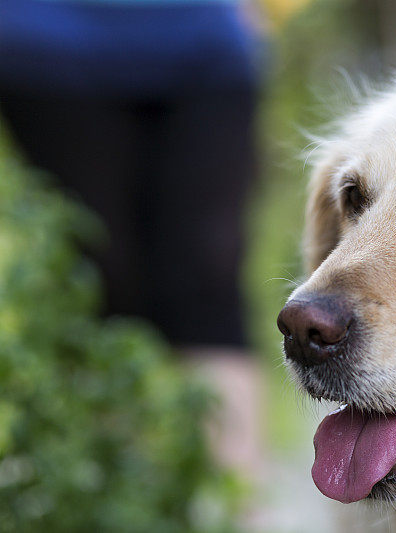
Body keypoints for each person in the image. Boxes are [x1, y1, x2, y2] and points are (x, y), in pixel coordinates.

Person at [0, 0, 266, 481]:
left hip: (206, 43)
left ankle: (233, 508)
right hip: (47, 47)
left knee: (209, 278)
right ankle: (117, 498)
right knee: (101, 284)